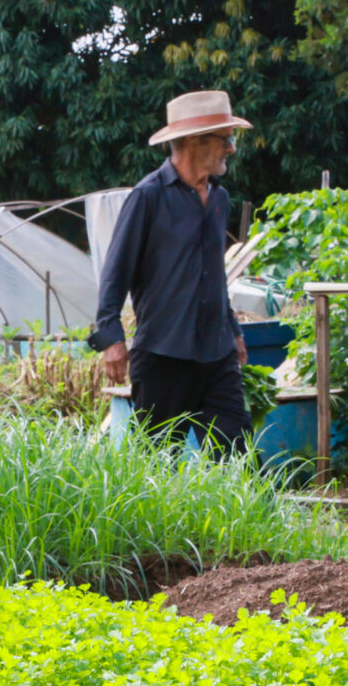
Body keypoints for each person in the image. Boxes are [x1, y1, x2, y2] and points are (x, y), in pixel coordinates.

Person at [90, 90, 255, 456]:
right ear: (196, 142)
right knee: (157, 466)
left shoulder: (219, 199)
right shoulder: (148, 197)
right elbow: (115, 272)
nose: (231, 148)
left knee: (240, 464)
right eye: (226, 138)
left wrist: (234, 331)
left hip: (216, 355)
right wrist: (111, 340)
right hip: (164, 355)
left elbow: (214, 278)